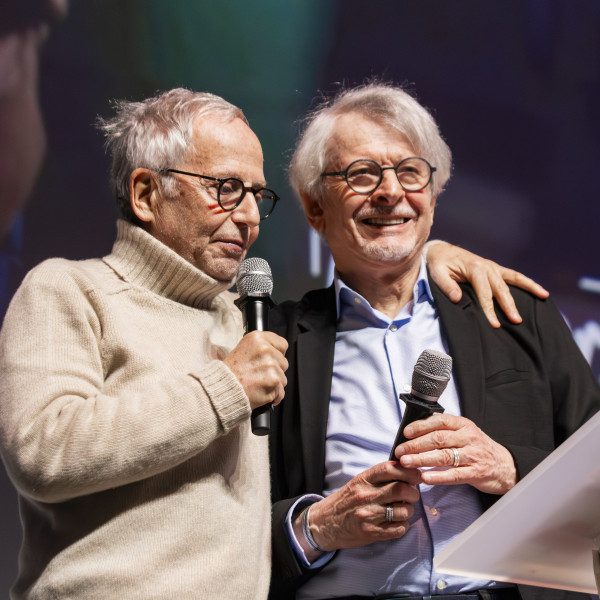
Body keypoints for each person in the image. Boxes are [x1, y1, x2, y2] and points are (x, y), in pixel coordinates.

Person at [0, 86, 551, 600]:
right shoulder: (70, 289)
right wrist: (226, 387)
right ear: (146, 193)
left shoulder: (246, 323)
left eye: (256, 196)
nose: (248, 218)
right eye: (225, 189)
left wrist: (426, 252)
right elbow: (43, 452)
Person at [268, 82, 600, 600]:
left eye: (410, 172)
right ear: (314, 207)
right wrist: (318, 527)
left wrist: (510, 469)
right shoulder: (273, 344)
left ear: (434, 192)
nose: (390, 191)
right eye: (361, 174)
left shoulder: (513, 311)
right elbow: (216, 518)